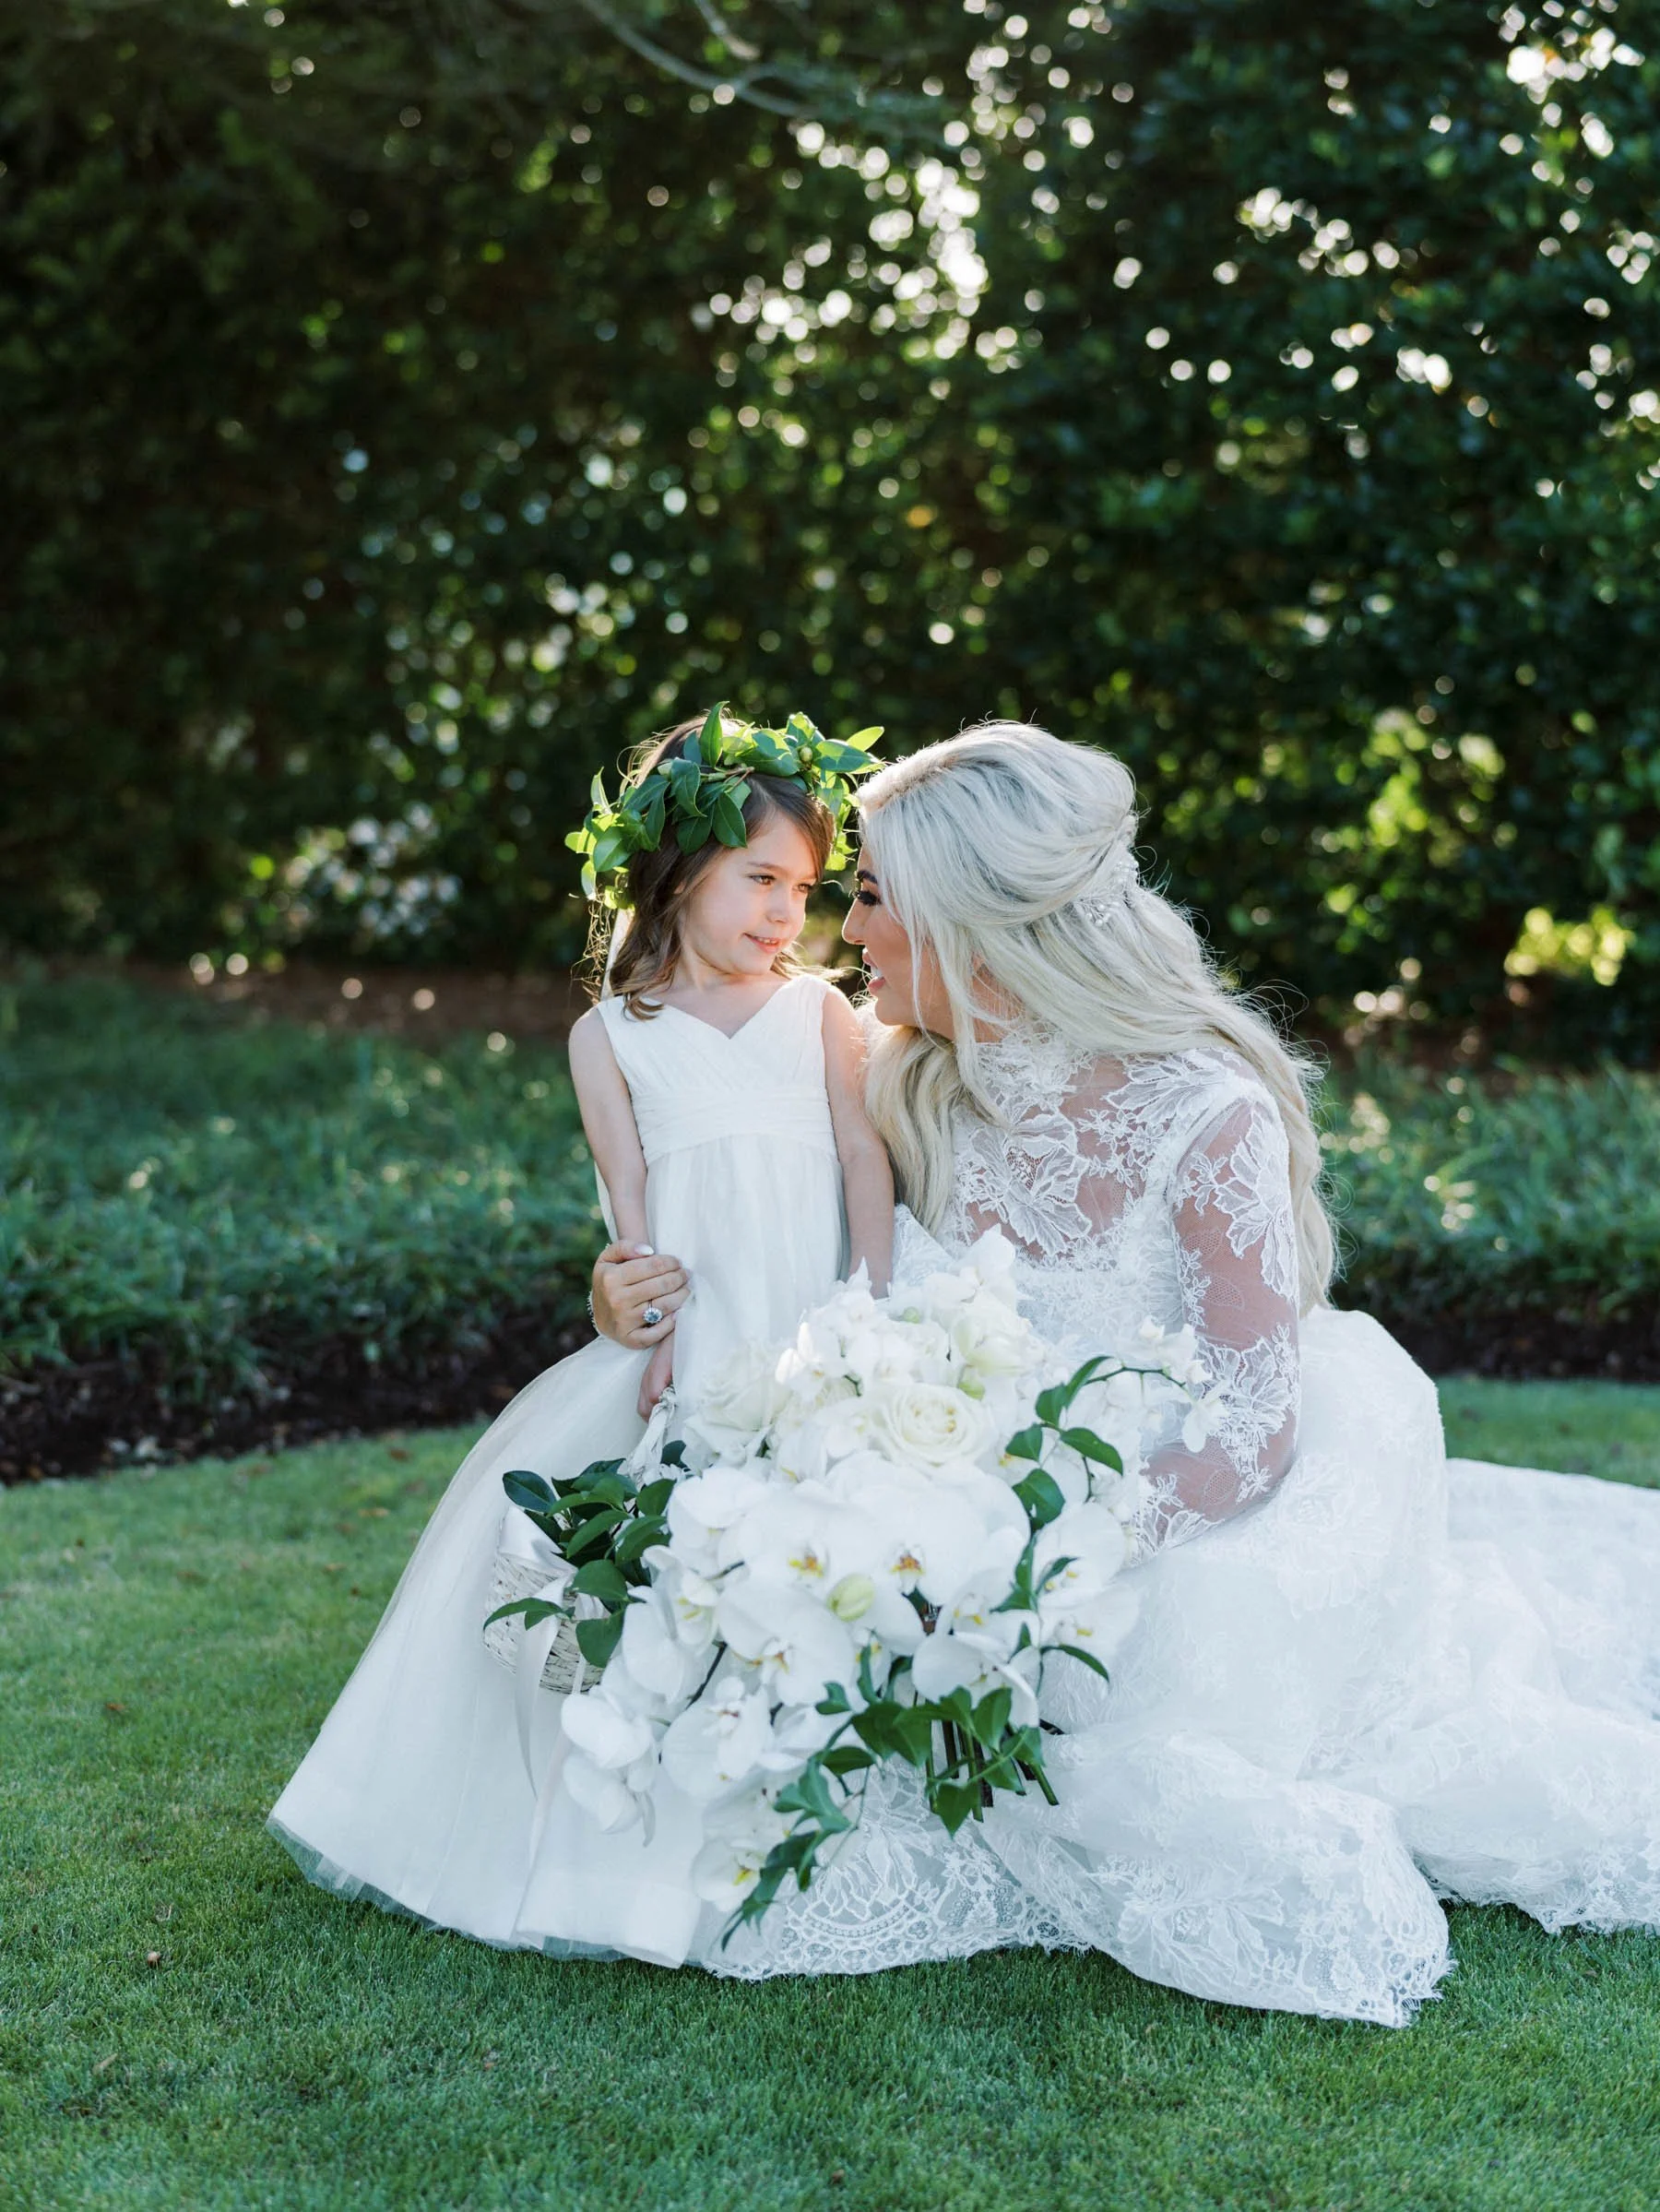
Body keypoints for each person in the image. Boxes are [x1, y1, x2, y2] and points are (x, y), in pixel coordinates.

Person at [593, 722, 1660, 2025]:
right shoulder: (893, 1076)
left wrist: (1043, 1557)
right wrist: (624, 1293)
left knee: (1153, 1726)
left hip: (1189, 1496)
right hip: (952, 1481)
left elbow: (1254, 1423)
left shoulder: (1207, 1113)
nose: (845, 930)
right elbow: (745, 1238)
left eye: (870, 897)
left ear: (971, 924)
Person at [267, 710, 892, 1961]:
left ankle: (814, 1833)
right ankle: (638, 1862)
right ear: (675, 869)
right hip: (698, 1342)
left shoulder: (821, 1014)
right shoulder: (609, 1035)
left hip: (819, 1326)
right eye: (761, 879)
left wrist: (870, 1313)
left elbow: (866, 1169)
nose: (788, 912)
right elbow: (632, 1217)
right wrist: (640, 1321)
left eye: (806, 888)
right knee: (671, 1592)